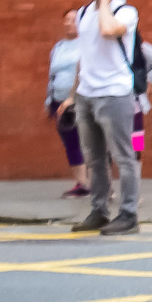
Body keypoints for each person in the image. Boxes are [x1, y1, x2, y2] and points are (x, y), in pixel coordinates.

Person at [58, 0, 141, 236]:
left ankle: (128, 214)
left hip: (115, 93)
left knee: (123, 157)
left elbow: (108, 30)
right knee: (94, 158)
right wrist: (72, 96)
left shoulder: (125, 11)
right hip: (86, 95)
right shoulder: (82, 13)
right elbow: (85, 57)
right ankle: (99, 211)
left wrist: (105, 1)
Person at [46, 13, 88, 195]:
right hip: (58, 100)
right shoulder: (59, 47)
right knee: (70, 142)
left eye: (74, 20)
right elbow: (51, 75)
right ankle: (81, 183)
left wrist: (74, 98)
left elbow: (85, 73)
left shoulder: (86, 46)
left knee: (88, 141)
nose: (70, 24)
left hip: (79, 100)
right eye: (67, 20)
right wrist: (49, 100)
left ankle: (98, 183)